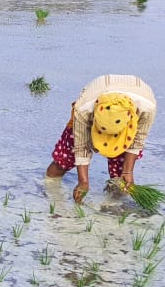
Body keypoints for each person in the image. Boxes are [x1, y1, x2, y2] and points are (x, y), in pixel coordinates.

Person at [46, 74, 156, 203]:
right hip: (95, 95)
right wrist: (83, 182)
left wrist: (127, 172)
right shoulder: (83, 109)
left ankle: (112, 207)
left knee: (120, 176)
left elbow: (137, 140)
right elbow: (81, 146)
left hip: (135, 100)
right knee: (65, 157)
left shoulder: (147, 109)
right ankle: (48, 189)